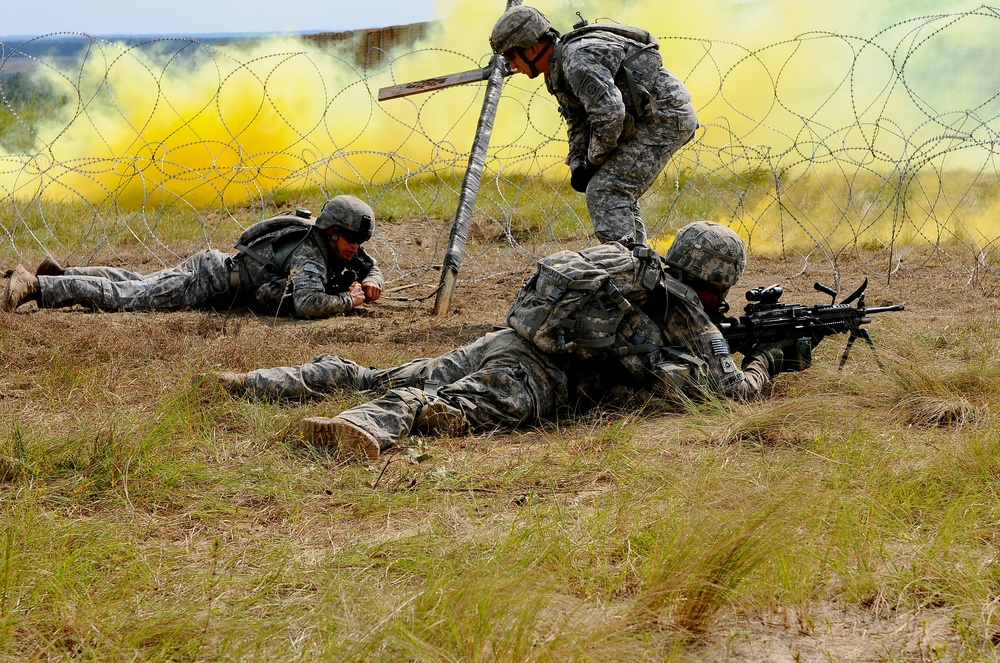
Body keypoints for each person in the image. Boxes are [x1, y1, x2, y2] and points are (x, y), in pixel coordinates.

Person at [212, 222, 810, 461]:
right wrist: (767, 361)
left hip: (508, 340)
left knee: (389, 372)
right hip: (543, 378)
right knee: (444, 408)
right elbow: (732, 395)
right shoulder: (689, 317)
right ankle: (365, 426)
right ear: (718, 280)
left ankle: (263, 383)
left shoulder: (634, 268)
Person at [489, 5, 699, 247]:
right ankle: (636, 262)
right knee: (612, 190)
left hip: (665, 118)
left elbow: (610, 115)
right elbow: (577, 119)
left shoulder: (577, 61)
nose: (512, 66)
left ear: (533, 47)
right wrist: (578, 163)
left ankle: (627, 268)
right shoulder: (556, 70)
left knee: (606, 192)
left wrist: (594, 161)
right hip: (646, 118)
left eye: (511, 56)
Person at [2, 195, 384, 318]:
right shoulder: (311, 255)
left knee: (136, 281)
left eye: (359, 240)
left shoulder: (336, 247)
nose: (355, 247)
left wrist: (373, 281)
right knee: (129, 298)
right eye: (351, 238)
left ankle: (63, 273)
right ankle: (35, 285)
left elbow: (369, 265)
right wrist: (346, 301)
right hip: (209, 283)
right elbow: (308, 302)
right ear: (332, 231)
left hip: (215, 267)